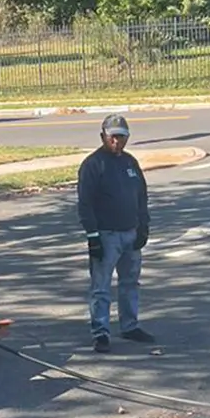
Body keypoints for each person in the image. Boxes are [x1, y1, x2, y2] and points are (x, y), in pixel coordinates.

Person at [77, 113, 154, 353]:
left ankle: (130, 325)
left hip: (130, 232)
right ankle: (100, 331)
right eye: (112, 136)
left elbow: (141, 196)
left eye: (121, 137)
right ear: (103, 136)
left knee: (130, 282)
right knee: (101, 286)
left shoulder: (130, 163)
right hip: (106, 234)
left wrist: (143, 226)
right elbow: (85, 203)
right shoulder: (93, 165)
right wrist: (92, 236)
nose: (116, 141)